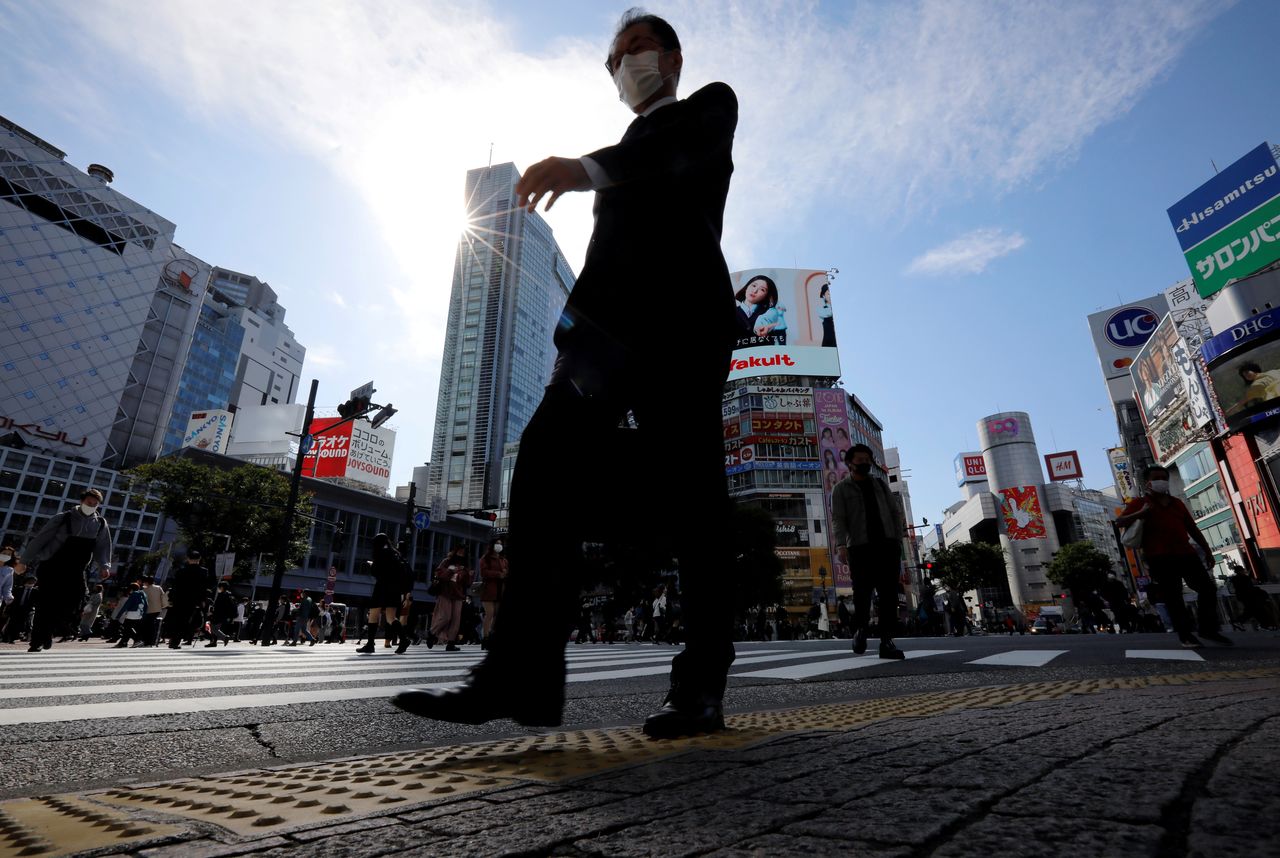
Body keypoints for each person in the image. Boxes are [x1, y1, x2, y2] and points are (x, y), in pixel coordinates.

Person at [393, 9, 739, 738]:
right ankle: (522, 673)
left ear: (672, 57)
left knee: (695, 501)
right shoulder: (623, 153)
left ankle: (702, 685)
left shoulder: (708, 109)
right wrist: (568, 338)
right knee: (543, 466)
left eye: (635, 49)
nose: (624, 66)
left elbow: (671, 155)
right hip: (603, 343)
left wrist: (581, 169)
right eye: (613, 58)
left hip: (681, 333)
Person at [1116, 464, 1232, 648]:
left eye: (1164, 478)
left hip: (1186, 553)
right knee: (1173, 596)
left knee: (1207, 588)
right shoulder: (1140, 503)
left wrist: (1207, 550)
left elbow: (1192, 528)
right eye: (1156, 478)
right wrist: (1141, 513)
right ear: (1147, 483)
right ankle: (1185, 635)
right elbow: (1120, 521)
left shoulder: (1177, 504)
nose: (1161, 481)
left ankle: (1207, 628)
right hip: (1159, 557)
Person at [831, 444, 907, 660]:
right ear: (850, 463)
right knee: (862, 593)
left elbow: (895, 512)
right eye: (860, 460)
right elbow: (839, 519)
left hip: (887, 545)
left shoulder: (881, 486)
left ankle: (886, 641)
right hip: (859, 547)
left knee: (888, 594)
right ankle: (860, 630)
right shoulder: (841, 489)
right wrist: (841, 545)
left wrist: (898, 540)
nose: (865, 464)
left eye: (868, 460)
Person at [22, 488, 113, 652]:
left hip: (76, 569)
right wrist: (24, 560)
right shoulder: (63, 518)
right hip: (52, 566)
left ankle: (50, 629)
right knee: (45, 604)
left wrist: (105, 565)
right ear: (81, 501)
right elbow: (41, 538)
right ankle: (37, 640)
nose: (91, 506)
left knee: (77, 599)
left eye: (95, 504)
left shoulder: (100, 523)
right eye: (88, 502)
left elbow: (103, 546)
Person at [358, 533, 406, 654]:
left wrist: (372, 565)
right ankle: (404, 640)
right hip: (395, 588)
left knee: (373, 614)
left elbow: (376, 572)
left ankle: (370, 644)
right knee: (391, 618)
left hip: (382, 587)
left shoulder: (380, 554)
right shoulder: (395, 553)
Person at [429, 545, 472, 652]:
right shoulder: (447, 562)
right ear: (455, 551)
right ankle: (432, 633)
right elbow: (439, 574)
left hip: (458, 594)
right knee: (445, 616)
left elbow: (468, 583)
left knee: (456, 619)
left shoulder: (466, 567)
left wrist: (468, 575)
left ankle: (451, 643)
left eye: (463, 552)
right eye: (459, 551)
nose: (461, 554)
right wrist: (451, 571)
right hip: (445, 592)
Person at [167, 550, 210, 649]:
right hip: (193, 599)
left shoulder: (181, 571)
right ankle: (176, 641)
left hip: (179, 598)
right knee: (185, 620)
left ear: (188, 559)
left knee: (177, 619)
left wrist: (171, 598)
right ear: (199, 559)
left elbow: (175, 586)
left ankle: (173, 640)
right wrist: (202, 600)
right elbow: (203, 587)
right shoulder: (203, 571)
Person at [477, 538, 508, 649]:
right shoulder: (485, 558)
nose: (499, 546)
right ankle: (485, 638)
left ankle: (491, 636)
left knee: (497, 615)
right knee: (489, 613)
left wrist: (505, 574)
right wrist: (498, 574)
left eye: (500, 544)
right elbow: (484, 573)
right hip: (489, 588)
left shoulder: (503, 559)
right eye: (497, 543)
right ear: (492, 545)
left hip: (501, 589)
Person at [112, 583, 148, 648]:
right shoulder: (143, 594)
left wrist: (119, 615)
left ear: (131, 589)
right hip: (139, 614)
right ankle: (124, 642)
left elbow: (127, 605)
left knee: (126, 628)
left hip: (131, 613)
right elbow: (146, 604)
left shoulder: (134, 594)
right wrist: (144, 614)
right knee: (129, 628)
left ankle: (137, 640)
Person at [141, 573, 168, 646]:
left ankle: (148, 641)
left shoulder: (144, 590)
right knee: (153, 625)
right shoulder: (158, 587)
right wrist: (164, 605)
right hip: (158, 609)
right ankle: (153, 640)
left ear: (146, 582)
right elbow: (163, 597)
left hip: (148, 610)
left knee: (148, 626)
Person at [206, 582, 236, 646]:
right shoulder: (229, 595)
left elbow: (218, 606)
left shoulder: (222, 595)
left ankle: (224, 638)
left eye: (219, 587)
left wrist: (212, 607)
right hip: (224, 615)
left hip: (218, 615)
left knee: (213, 628)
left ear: (222, 587)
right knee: (214, 628)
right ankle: (214, 642)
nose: (218, 589)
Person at [817, 282, 836, 347]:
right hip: (828, 342)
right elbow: (828, 314)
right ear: (823, 296)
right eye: (828, 294)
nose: (831, 296)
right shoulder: (821, 309)